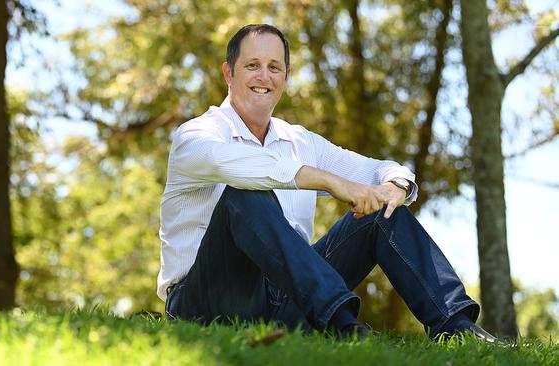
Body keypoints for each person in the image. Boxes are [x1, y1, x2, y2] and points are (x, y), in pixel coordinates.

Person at [157, 23, 498, 342]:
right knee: (245, 195)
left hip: (291, 299)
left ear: (285, 78)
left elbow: (380, 170)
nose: (264, 76)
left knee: (384, 214)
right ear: (228, 72)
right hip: (205, 301)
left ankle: (457, 327)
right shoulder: (196, 136)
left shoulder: (301, 142)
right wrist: (330, 182)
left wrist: (395, 186)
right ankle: (342, 325)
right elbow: (239, 165)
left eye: (275, 67)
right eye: (252, 66)